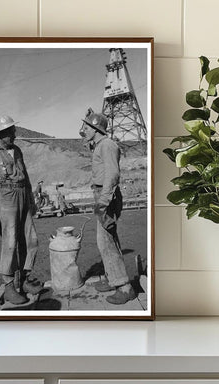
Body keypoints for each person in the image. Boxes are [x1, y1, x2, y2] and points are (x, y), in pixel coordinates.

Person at [0, 115, 43, 305]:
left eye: (13, 130)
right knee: (10, 242)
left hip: (22, 195)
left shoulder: (18, 150)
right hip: (6, 200)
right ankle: (8, 286)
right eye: (10, 132)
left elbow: (27, 178)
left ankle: (24, 280)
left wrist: (31, 200)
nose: (14, 134)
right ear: (1, 134)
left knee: (30, 240)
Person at [79, 110, 136, 305]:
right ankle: (114, 280)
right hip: (102, 195)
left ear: (96, 129)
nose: (83, 130)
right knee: (106, 239)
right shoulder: (100, 146)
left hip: (106, 196)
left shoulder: (108, 146)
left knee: (106, 242)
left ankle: (125, 288)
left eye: (86, 127)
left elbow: (112, 175)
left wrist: (103, 201)